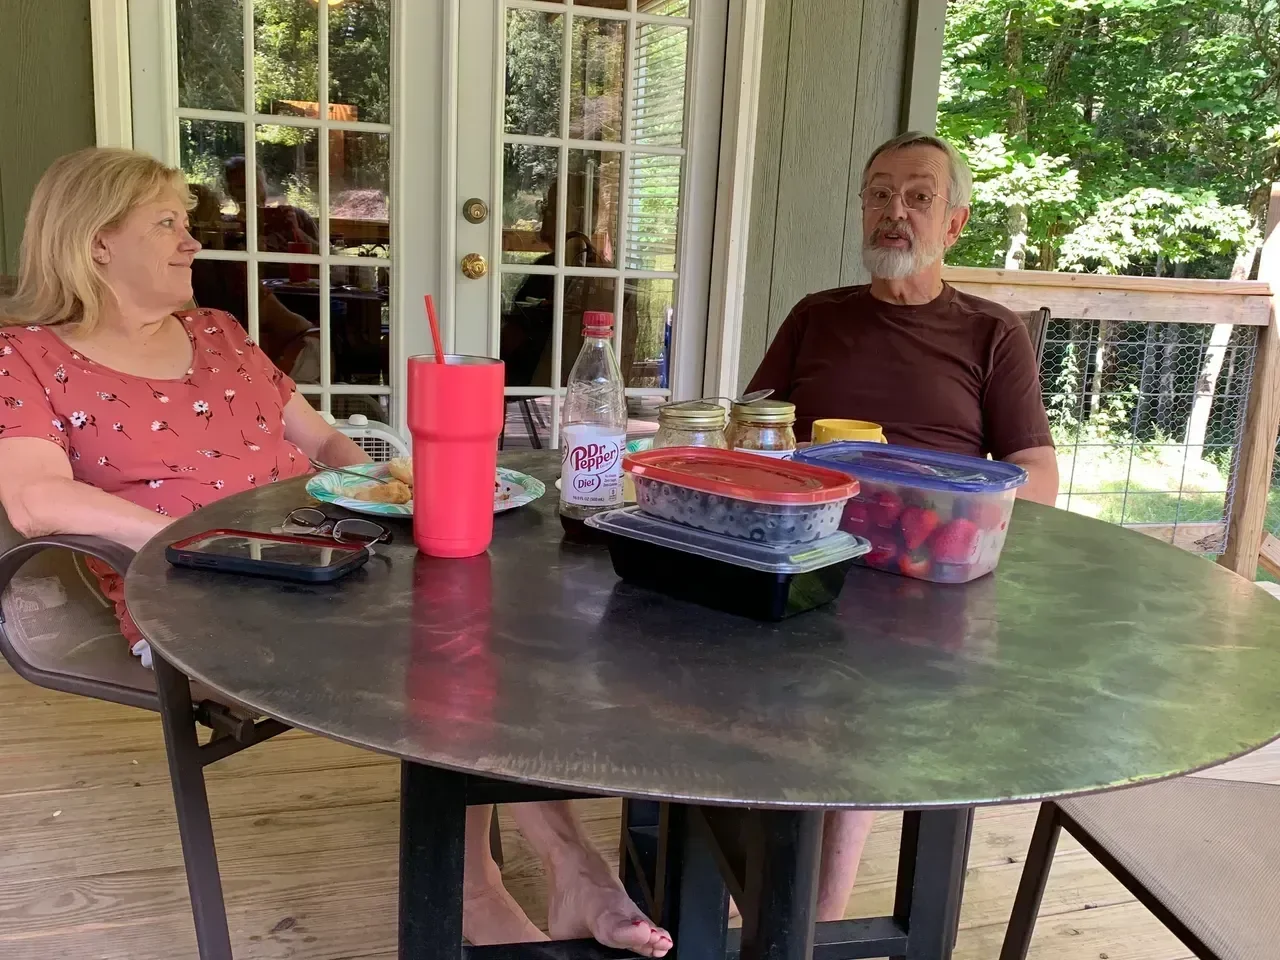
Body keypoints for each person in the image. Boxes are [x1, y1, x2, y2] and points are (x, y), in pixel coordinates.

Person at [0, 147, 671, 956]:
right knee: (454, 652)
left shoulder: (216, 333)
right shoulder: (29, 356)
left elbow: (323, 441)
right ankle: (496, 892)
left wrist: (405, 489)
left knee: (501, 615)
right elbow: (36, 500)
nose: (193, 241)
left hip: (340, 561)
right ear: (96, 241)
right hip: (205, 594)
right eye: (168, 223)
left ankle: (569, 872)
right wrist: (192, 539)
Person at [745, 131, 1060, 921]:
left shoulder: (993, 333)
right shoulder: (816, 317)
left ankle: (812, 913)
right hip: (810, 550)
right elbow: (750, 430)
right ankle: (708, 847)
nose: (895, 212)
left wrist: (960, 522)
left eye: (919, 196)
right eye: (879, 194)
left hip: (928, 573)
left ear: (953, 224)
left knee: (863, 695)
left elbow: (1038, 471)